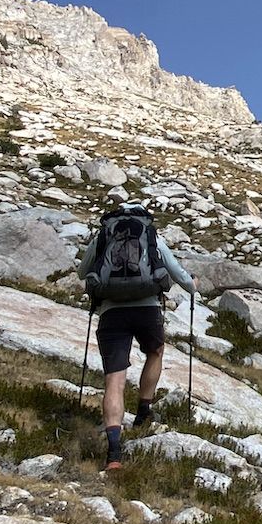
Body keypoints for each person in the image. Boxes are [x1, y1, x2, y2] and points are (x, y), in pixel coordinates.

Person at [77, 200, 195, 472]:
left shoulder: (104, 235)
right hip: (147, 307)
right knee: (155, 352)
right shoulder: (150, 233)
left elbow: (83, 272)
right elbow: (177, 273)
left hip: (111, 312)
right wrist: (192, 285)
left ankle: (114, 453)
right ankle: (144, 409)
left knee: (114, 381)